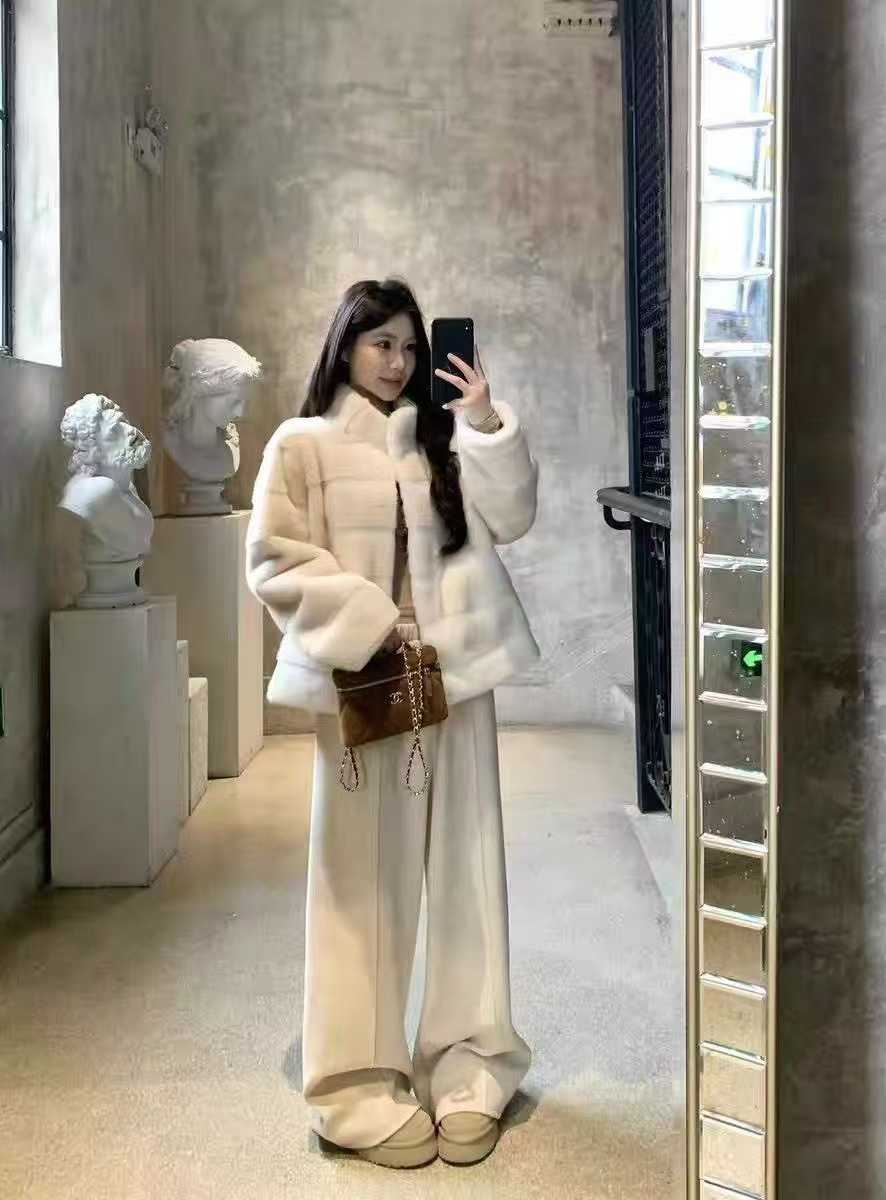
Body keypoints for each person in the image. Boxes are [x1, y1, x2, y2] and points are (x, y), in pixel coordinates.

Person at [246, 279, 540, 1169]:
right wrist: (373, 622)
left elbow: (515, 518)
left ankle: (471, 1064)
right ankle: (354, 1083)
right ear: (346, 345)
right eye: (382, 343)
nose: (399, 362)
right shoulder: (303, 443)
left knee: (468, 877)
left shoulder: (441, 438)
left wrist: (483, 421)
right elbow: (275, 559)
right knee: (358, 882)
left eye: (411, 346)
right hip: (366, 680)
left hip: (460, 680)